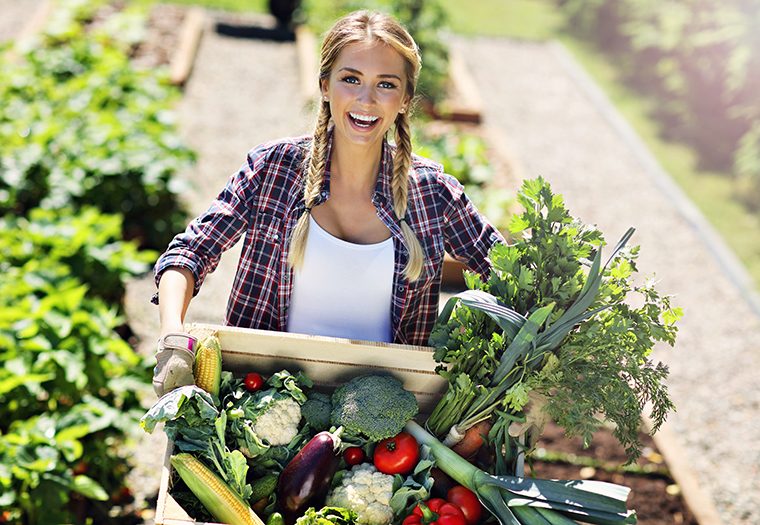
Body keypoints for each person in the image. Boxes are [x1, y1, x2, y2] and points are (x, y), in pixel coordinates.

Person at [151, 10, 505, 397]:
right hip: (262, 400)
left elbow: (509, 276)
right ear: (325, 86)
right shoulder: (276, 169)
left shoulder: (432, 193)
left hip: (383, 427)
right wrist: (173, 335)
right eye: (350, 79)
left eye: (385, 85)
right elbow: (190, 253)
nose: (366, 100)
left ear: (404, 99)